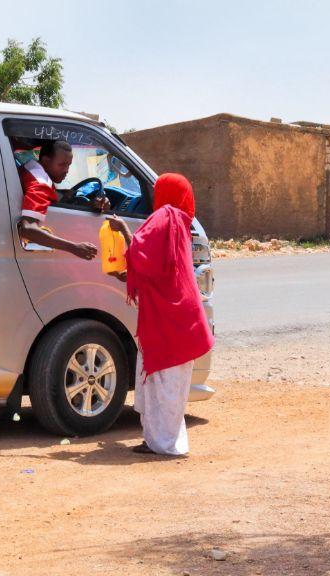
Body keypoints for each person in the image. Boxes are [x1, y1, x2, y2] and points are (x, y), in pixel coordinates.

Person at [105, 173, 214, 455]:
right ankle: (161, 439)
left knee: (161, 380)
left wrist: (122, 231)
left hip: (168, 318)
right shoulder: (181, 222)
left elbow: (144, 252)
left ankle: (162, 443)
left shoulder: (165, 215)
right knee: (170, 384)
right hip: (180, 315)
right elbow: (160, 268)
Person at [17, 139, 110, 259]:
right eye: (61, 165)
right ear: (45, 161)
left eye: (69, 164)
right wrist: (74, 248)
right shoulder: (41, 185)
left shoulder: (31, 167)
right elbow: (28, 229)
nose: (66, 170)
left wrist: (91, 204)